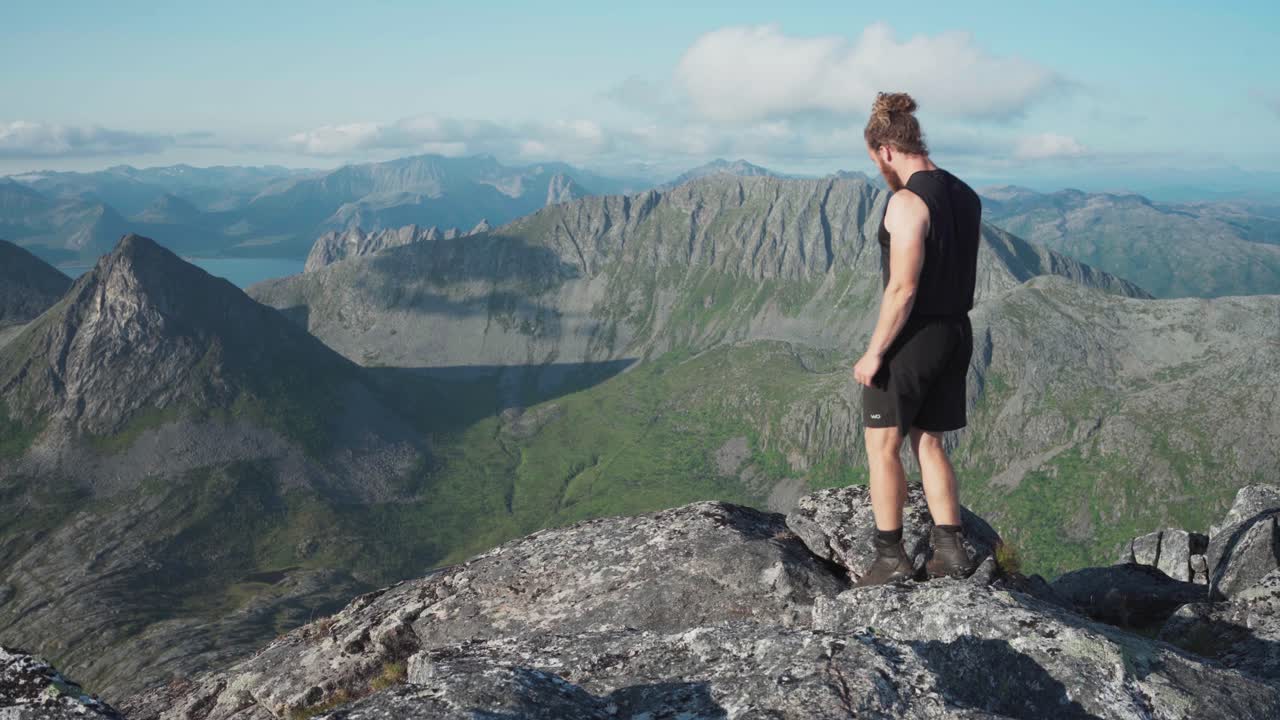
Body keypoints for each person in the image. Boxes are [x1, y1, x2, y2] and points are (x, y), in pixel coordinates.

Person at [849, 91, 982, 587]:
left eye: (875, 160)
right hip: (955, 331)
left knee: (882, 446)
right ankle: (950, 550)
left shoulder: (907, 201)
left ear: (886, 149)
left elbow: (903, 288)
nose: (879, 170)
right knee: (930, 441)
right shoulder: (965, 194)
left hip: (914, 337)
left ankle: (891, 557)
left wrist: (875, 353)